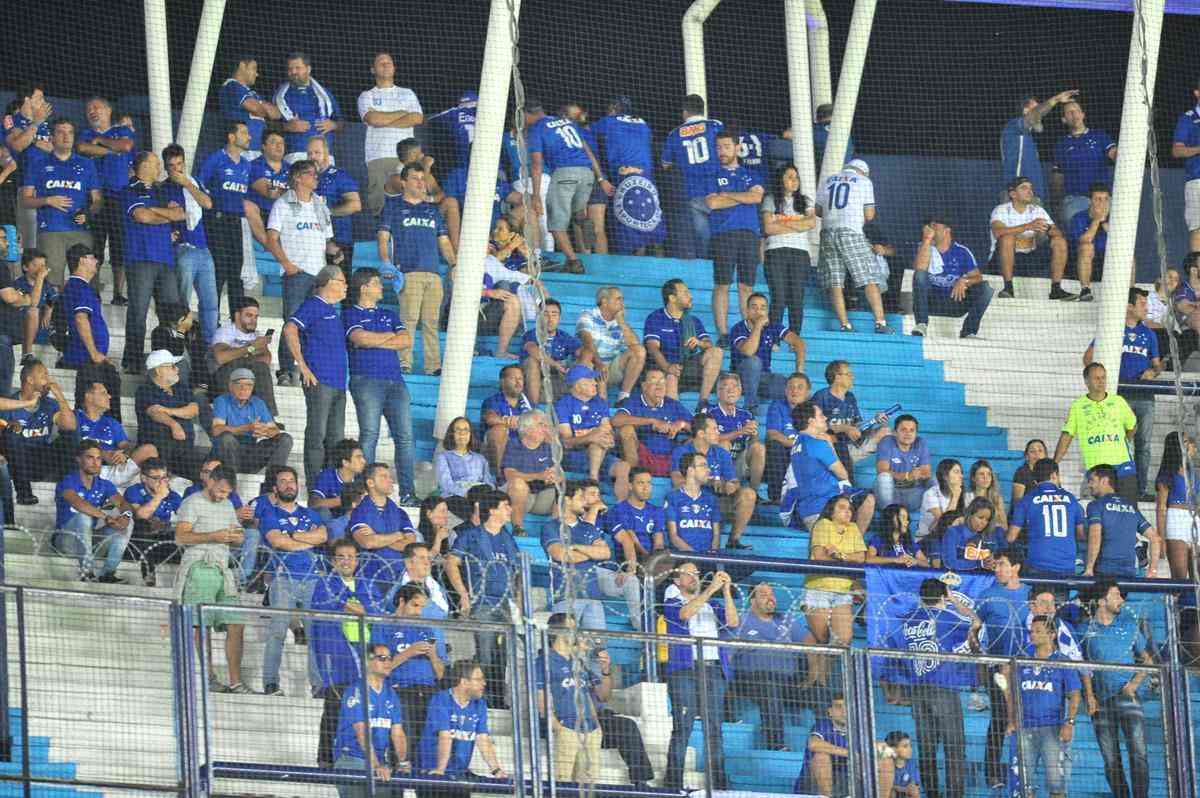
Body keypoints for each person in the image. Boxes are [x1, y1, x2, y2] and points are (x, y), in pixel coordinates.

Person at [884, 578, 980, 798]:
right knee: (954, 748)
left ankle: (931, 794)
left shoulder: (906, 621)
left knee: (927, 749)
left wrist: (896, 691)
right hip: (944, 688)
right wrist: (954, 598)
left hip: (918, 690)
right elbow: (976, 623)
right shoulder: (949, 618)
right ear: (943, 596)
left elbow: (892, 653)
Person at [175, 463, 251, 693]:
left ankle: (236, 681)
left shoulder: (228, 504)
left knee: (236, 623)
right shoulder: (192, 502)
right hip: (199, 567)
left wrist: (237, 535)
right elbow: (180, 536)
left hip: (222, 568)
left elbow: (238, 532)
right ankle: (209, 678)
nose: (222, 496)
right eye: (220, 490)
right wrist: (213, 536)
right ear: (210, 481)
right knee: (202, 624)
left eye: (227, 493)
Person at [266, 158, 342, 387]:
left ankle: (310, 368)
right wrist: (287, 264)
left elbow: (327, 241)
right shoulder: (283, 204)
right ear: (298, 177)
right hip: (297, 274)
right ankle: (286, 370)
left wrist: (336, 253)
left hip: (320, 277)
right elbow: (271, 238)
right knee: (293, 321)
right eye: (311, 174)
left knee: (316, 323)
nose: (316, 178)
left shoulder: (321, 204)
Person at [661, 562, 737, 792]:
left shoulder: (712, 602)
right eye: (689, 573)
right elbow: (684, 614)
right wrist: (711, 589)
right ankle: (673, 783)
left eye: (696, 573)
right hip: (685, 669)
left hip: (713, 669)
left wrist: (725, 591)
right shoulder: (672, 598)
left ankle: (718, 784)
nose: (695, 576)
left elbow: (733, 621)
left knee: (714, 728)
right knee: (682, 726)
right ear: (676, 579)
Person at [377, 163, 456, 376]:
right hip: (408, 272)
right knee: (408, 320)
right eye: (415, 178)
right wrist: (386, 262)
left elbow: (445, 242)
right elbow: (383, 237)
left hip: (434, 273)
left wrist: (454, 264)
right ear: (403, 182)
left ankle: (433, 366)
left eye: (423, 178)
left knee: (431, 322)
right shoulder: (392, 208)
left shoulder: (432, 211)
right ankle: (404, 362)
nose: (421, 182)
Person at [1083, 287, 1162, 502]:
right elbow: (1088, 357)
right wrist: (1100, 386)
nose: (1146, 308)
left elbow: (1157, 365)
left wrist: (1152, 371)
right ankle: (1113, 486)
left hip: (1145, 397)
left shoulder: (1149, 334)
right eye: (1142, 304)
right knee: (1116, 443)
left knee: (1143, 444)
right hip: (1119, 398)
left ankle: (1141, 488)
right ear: (1129, 306)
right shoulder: (1112, 330)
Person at [444, 491, 521, 706]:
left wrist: (518, 602)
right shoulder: (471, 535)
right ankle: (480, 697)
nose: (510, 509)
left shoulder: (508, 538)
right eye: (506, 505)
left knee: (502, 655)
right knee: (485, 652)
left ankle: (496, 699)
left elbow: (518, 571)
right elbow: (451, 562)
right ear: (493, 510)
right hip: (483, 601)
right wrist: (463, 594)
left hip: (504, 603)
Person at [311, 538, 383, 767]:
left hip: (366, 650)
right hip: (339, 651)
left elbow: (376, 610)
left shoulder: (367, 584)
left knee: (364, 705)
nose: (346, 561)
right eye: (341, 556)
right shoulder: (325, 584)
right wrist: (354, 607)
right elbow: (327, 607)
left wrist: (358, 608)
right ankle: (325, 758)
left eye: (351, 556)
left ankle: (360, 754)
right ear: (333, 561)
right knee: (335, 703)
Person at [344, 268, 415, 500]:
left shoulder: (389, 313)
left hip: (396, 382)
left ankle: (407, 492)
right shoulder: (350, 313)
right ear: (363, 287)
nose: (380, 287)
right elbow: (359, 338)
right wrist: (387, 337)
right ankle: (363, 490)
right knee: (369, 434)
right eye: (376, 283)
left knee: (405, 437)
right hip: (366, 380)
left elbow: (406, 340)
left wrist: (374, 340)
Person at [1082, 580, 1153, 798]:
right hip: (1101, 701)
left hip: (1127, 698)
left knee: (1138, 753)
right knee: (1111, 758)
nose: (1121, 600)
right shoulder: (1085, 630)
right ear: (1102, 601)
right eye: (1116, 595)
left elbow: (1148, 660)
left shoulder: (1129, 626)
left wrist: (1133, 684)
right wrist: (1090, 697)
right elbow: (1082, 666)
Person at [260, 466, 326, 696]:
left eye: (292, 481)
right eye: (283, 481)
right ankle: (270, 683)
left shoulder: (311, 513)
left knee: (314, 633)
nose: (289, 485)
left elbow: (323, 536)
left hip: (312, 577)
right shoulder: (270, 514)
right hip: (283, 577)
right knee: (278, 630)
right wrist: (307, 540)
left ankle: (318, 686)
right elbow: (277, 541)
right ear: (275, 487)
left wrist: (294, 537)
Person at [525, 99, 611, 274]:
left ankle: (573, 262)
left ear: (528, 114)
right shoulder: (566, 122)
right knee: (577, 212)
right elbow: (587, 151)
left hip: (565, 173)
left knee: (556, 224)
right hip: (587, 174)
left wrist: (535, 195)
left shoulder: (537, 128)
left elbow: (536, 163)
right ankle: (583, 222)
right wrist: (600, 178)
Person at [119, 150, 183, 373]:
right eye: (156, 164)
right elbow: (141, 216)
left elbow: (179, 215)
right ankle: (133, 360)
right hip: (140, 258)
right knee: (138, 311)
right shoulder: (129, 190)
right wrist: (165, 214)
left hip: (165, 259)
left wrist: (155, 211)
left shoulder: (162, 190)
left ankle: (167, 360)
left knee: (171, 313)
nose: (160, 169)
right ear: (143, 166)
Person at [284, 265, 349, 485]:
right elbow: (290, 328)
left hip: (339, 383)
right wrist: (301, 365)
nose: (346, 286)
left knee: (335, 439)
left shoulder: (332, 310)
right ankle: (314, 486)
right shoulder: (314, 305)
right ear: (330, 282)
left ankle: (330, 485)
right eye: (343, 281)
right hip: (320, 380)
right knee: (317, 434)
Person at [19, 117, 100, 286]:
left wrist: (88, 213)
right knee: (52, 284)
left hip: (80, 231)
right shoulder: (38, 163)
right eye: (61, 132)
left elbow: (98, 200)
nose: (66, 136)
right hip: (50, 231)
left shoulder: (86, 164)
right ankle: (51, 313)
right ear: (52, 137)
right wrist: (48, 200)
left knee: (87, 283)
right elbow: (26, 200)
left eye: (70, 132)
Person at [815, 159, 892, 334]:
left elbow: (818, 211)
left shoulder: (829, 179)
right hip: (850, 232)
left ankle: (845, 325)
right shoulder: (864, 181)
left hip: (827, 233)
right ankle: (880, 322)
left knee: (835, 282)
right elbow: (870, 215)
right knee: (869, 278)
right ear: (863, 172)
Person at [1009, 614, 1081, 798]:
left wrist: (1070, 722)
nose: (1033, 635)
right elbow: (1011, 693)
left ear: (1052, 635)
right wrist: (1011, 720)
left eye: (1038, 631)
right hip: (1024, 727)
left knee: (1057, 785)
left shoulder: (1062, 660)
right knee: (1023, 785)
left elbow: (1074, 694)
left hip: (1053, 728)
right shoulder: (1021, 659)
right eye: (1031, 631)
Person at [371, 583, 446, 759]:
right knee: (403, 741)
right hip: (399, 692)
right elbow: (378, 668)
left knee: (428, 745)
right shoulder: (383, 627)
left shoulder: (427, 630)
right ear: (401, 602)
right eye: (415, 605)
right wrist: (408, 652)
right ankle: (398, 779)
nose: (418, 612)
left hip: (428, 693)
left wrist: (434, 656)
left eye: (422, 607)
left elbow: (441, 674)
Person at [730, 583, 806, 750]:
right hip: (752, 679)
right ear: (752, 601)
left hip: (788, 679)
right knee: (769, 686)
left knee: (822, 692)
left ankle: (827, 738)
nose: (771, 598)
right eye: (764, 594)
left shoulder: (786, 620)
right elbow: (727, 653)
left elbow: (809, 644)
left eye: (772, 594)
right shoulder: (741, 620)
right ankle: (776, 744)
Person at [781, 401, 876, 533]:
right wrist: (830, 445)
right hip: (826, 511)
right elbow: (843, 474)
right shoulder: (817, 444)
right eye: (820, 415)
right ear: (811, 421)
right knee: (869, 499)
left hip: (807, 510)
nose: (825, 418)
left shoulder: (797, 443)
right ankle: (856, 542)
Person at [706, 129, 764, 344]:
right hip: (723, 234)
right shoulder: (712, 174)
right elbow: (712, 203)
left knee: (746, 286)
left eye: (726, 146)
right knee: (722, 284)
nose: (722, 151)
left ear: (737, 148)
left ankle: (747, 331)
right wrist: (743, 197)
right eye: (718, 147)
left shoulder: (751, 173)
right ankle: (722, 333)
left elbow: (757, 197)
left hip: (749, 234)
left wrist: (728, 195)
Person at [533, 613, 605, 784]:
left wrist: (597, 726)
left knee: (589, 786)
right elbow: (540, 697)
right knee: (563, 784)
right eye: (571, 628)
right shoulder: (544, 660)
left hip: (591, 730)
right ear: (559, 631)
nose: (576, 632)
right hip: (567, 728)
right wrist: (557, 727)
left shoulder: (579, 663)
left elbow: (596, 694)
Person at [803, 495, 868, 687]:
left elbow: (861, 557)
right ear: (831, 510)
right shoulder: (823, 524)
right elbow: (820, 556)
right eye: (842, 508)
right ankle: (814, 678)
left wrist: (839, 555)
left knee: (843, 639)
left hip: (843, 589)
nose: (847, 511)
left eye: (850, 508)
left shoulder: (854, 528)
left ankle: (820, 680)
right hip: (819, 587)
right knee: (821, 636)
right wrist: (846, 558)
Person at [416, 660, 507, 796]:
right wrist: (440, 770)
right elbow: (445, 737)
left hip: (459, 775)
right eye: (479, 679)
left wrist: (496, 770)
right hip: (433, 774)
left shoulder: (479, 704)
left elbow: (483, 739)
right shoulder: (441, 699)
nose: (484, 683)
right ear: (464, 682)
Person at [589, 95, 665, 256]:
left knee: (629, 226)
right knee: (647, 221)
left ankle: (632, 265)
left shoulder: (607, 122)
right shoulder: (644, 124)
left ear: (613, 109)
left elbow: (582, 133)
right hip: (646, 176)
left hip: (624, 174)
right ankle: (649, 260)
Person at [331, 641, 409, 796]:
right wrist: (377, 765)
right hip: (352, 759)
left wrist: (403, 762)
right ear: (367, 661)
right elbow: (362, 734)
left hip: (378, 761)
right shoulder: (356, 691)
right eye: (382, 658)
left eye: (389, 658)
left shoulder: (391, 694)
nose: (388, 662)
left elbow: (398, 733)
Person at [77, 96, 134, 305]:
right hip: (95, 197)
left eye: (97, 107)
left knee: (119, 246)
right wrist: (113, 151)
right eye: (89, 108)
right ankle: (95, 291)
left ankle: (118, 294)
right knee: (96, 245)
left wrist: (101, 143)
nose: (92, 111)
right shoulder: (85, 133)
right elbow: (83, 149)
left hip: (120, 197)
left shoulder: (122, 131)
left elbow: (127, 146)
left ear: (109, 110)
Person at [671, 412, 757, 549]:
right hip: (690, 503)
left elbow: (734, 481)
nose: (719, 432)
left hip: (718, 502)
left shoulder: (721, 452)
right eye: (714, 429)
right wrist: (709, 482)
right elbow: (677, 482)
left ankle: (733, 541)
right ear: (701, 434)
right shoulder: (681, 451)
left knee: (749, 494)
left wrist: (729, 486)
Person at [1054, 362, 1138, 501]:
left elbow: (1132, 426)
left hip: (1122, 467)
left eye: (1103, 377)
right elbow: (1067, 435)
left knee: (1128, 511)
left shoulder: (1118, 401)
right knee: (1098, 514)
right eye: (1096, 378)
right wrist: (1054, 463)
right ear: (1086, 381)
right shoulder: (1078, 406)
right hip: (1096, 470)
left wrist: (1123, 442)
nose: (1101, 381)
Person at [160, 143, 219, 343]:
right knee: (183, 300)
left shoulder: (194, 182)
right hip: (182, 249)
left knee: (210, 302)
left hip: (203, 249)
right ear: (166, 168)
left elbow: (208, 203)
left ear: (185, 163)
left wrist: (187, 183)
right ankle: (181, 340)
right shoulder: (164, 188)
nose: (177, 169)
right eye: (172, 166)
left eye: (180, 164)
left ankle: (210, 344)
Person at [53, 438, 133, 583]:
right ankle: (86, 572)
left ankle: (108, 573)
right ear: (78, 459)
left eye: (98, 458)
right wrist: (106, 517)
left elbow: (122, 503)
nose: (96, 462)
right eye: (90, 457)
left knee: (127, 523)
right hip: (66, 541)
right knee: (83, 517)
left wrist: (126, 516)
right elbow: (79, 504)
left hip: (90, 541)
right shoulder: (67, 481)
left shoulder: (105, 484)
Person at [1, 358, 77, 505]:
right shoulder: (9, 403)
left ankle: (70, 489)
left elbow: (71, 426)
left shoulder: (50, 404)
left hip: (41, 461)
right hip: (15, 464)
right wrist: (9, 426)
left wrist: (59, 396)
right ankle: (24, 493)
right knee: (10, 433)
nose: (48, 380)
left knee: (70, 436)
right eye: (43, 376)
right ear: (29, 379)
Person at [358, 52, 423, 217]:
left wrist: (384, 119)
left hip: (406, 156)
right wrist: (401, 113)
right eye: (381, 62)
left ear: (394, 68)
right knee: (380, 209)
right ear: (373, 70)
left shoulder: (407, 93)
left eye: (389, 62)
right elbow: (372, 119)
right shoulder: (367, 95)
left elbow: (417, 117)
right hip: (378, 157)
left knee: (411, 201)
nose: (386, 65)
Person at [661, 94, 723, 259]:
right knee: (723, 233)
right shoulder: (716, 125)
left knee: (703, 239)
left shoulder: (675, 133)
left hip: (691, 192)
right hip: (719, 189)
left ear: (685, 112)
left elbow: (665, 164)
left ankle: (707, 271)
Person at [643, 278, 724, 405]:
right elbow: (653, 349)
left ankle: (703, 402)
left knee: (717, 352)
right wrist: (668, 367)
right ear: (672, 298)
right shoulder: (656, 318)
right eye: (685, 293)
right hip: (663, 368)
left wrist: (699, 343)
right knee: (671, 377)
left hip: (687, 367)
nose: (690, 296)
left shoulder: (693, 320)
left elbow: (708, 344)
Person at [911, 214, 993, 338]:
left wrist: (964, 280)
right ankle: (921, 325)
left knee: (986, 289)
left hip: (955, 301)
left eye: (934, 226)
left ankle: (968, 331)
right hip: (930, 302)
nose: (930, 229)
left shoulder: (961, 251)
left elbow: (978, 277)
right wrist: (927, 240)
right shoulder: (924, 247)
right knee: (920, 275)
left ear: (947, 230)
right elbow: (919, 271)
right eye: (929, 226)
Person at [198, 121, 251, 311]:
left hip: (236, 221)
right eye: (244, 133)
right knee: (219, 269)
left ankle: (237, 319)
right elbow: (200, 184)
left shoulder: (246, 165)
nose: (249, 137)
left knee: (236, 270)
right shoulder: (216, 159)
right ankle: (213, 317)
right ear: (231, 136)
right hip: (216, 220)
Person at [555, 365, 631, 499]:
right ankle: (593, 482)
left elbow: (607, 432)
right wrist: (591, 436)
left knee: (623, 467)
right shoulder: (563, 404)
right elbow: (567, 442)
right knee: (596, 440)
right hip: (574, 457)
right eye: (590, 381)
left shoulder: (600, 403)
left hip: (602, 455)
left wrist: (606, 438)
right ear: (578, 385)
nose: (595, 383)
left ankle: (621, 505)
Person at [990, 176, 1071, 300]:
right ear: (1013, 194)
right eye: (1024, 188)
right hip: (1002, 261)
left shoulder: (1037, 210)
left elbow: (1057, 232)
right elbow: (998, 232)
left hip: (1030, 259)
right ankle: (1008, 288)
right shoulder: (1001, 210)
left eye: (1031, 188)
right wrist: (1028, 226)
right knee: (1007, 238)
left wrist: (1047, 228)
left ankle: (1056, 289)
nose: (1030, 191)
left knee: (1059, 241)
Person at [135, 350, 208, 481]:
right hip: (158, 455)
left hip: (184, 452)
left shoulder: (180, 387)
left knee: (206, 474)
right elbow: (154, 412)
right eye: (172, 366)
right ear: (158, 371)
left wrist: (168, 411)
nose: (177, 369)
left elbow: (194, 409)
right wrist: (174, 424)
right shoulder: (145, 389)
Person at [760, 164, 816, 334]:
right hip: (776, 251)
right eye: (790, 177)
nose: (794, 181)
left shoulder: (805, 200)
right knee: (779, 296)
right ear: (780, 179)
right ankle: (773, 337)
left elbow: (811, 223)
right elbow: (769, 228)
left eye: (796, 177)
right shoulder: (770, 199)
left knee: (796, 297)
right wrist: (798, 225)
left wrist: (782, 223)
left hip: (800, 253)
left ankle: (795, 337)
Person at [1007, 458, 1085, 579]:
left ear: (1034, 480)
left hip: (1037, 564)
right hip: (1066, 565)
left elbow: (1011, 537)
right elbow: (1081, 535)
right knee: (1060, 598)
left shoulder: (1026, 500)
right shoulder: (1071, 499)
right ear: (1054, 475)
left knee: (1038, 597)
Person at [813, 359, 889, 480]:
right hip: (831, 447)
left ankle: (885, 475)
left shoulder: (850, 397)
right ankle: (840, 464)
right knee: (837, 444)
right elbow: (814, 427)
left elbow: (857, 425)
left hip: (850, 445)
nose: (852, 377)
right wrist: (844, 428)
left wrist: (874, 420)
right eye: (849, 374)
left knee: (885, 431)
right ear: (837, 377)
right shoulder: (821, 396)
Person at [731, 292, 805, 414]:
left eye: (763, 308)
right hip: (740, 379)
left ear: (767, 311)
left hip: (764, 379)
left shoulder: (773, 326)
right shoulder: (738, 328)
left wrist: (799, 371)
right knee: (754, 361)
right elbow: (749, 351)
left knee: (797, 390)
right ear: (747, 310)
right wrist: (758, 326)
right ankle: (750, 406)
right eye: (754, 307)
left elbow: (799, 343)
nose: (758, 311)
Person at [75, 378, 157, 487]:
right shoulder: (74, 418)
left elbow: (125, 446)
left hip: (115, 470)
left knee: (149, 449)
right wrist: (103, 454)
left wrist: (123, 454)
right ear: (88, 396)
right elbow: (72, 444)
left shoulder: (111, 422)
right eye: (104, 393)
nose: (109, 397)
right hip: (88, 470)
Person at [350, 462, 418, 590]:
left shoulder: (400, 512)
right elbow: (368, 542)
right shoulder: (359, 512)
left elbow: (409, 544)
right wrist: (399, 535)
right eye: (384, 476)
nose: (390, 480)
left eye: (390, 476)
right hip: (369, 579)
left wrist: (377, 536)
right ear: (370, 483)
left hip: (398, 576)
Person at [612, 368, 691, 477]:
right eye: (654, 382)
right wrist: (652, 421)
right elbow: (616, 420)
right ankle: (634, 475)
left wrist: (681, 424)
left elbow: (698, 428)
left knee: (698, 437)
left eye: (662, 382)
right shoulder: (634, 401)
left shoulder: (673, 404)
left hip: (671, 457)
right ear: (644, 386)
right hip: (643, 457)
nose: (659, 385)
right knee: (626, 429)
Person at [210, 368, 292, 474]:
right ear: (231, 386)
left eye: (249, 385)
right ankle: (232, 480)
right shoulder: (222, 400)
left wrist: (265, 431)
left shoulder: (258, 403)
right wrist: (246, 428)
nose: (244, 389)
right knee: (227, 438)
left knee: (285, 439)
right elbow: (216, 430)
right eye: (239, 384)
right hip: (228, 453)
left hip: (251, 453)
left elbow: (274, 429)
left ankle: (272, 482)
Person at [1000, 90, 1078, 200]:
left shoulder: (1028, 138)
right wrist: (1056, 99)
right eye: (1036, 108)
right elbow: (1035, 115)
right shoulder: (1014, 127)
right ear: (1025, 110)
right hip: (1017, 195)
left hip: (1031, 196)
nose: (1041, 114)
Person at [1085, 464, 1159, 578]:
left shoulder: (1096, 505)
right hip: (1128, 573)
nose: (1089, 485)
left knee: (1090, 595)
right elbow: (1154, 538)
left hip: (1104, 570)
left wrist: (1089, 568)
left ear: (1104, 481)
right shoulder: (1131, 507)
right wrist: (1152, 570)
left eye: (1092, 480)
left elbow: (1095, 535)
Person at [208, 297, 279, 416]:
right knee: (233, 364)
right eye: (249, 315)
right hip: (224, 377)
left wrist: (239, 354)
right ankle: (230, 414)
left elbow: (266, 359)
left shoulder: (257, 335)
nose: (253, 320)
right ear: (237, 315)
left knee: (261, 368)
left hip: (248, 377)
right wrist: (251, 348)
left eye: (256, 316)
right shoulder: (225, 331)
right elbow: (221, 358)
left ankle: (267, 417)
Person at [1052, 100, 1117, 224]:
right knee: (1081, 236)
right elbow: (1057, 178)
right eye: (1069, 112)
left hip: (1103, 198)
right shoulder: (1061, 144)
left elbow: (1114, 154)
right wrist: (1056, 204)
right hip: (1075, 200)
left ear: (1083, 114)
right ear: (1064, 119)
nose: (1074, 114)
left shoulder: (1100, 136)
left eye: (1076, 111)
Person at [605, 466, 666, 593]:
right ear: (630, 486)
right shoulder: (619, 510)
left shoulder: (656, 511)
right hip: (628, 559)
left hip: (651, 560)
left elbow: (658, 540)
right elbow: (632, 538)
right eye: (640, 483)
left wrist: (656, 558)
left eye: (649, 483)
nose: (646, 487)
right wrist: (649, 559)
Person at [274, 52, 342, 163]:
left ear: (308, 69)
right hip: (296, 153)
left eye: (297, 68)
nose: (293, 72)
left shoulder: (324, 94)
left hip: (324, 154)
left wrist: (334, 125)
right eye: (290, 69)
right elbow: (268, 124)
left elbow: (342, 123)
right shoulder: (281, 95)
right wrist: (286, 126)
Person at [124, 456, 181, 586]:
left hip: (162, 541)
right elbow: (140, 515)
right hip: (138, 543)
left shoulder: (173, 496)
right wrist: (159, 496)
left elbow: (186, 518)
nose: (161, 483)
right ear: (144, 478)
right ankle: (149, 575)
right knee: (143, 525)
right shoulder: (134, 491)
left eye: (164, 478)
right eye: (156, 478)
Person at [500, 410, 559, 536]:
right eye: (541, 425)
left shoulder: (547, 447)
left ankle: (556, 531)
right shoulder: (513, 444)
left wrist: (553, 477)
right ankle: (518, 527)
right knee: (518, 484)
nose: (545, 428)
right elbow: (509, 475)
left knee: (565, 488)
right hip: (516, 498)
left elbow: (555, 472)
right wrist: (539, 476)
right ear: (526, 429)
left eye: (545, 425)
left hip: (541, 498)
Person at [307, 137, 360, 271]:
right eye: (309, 153)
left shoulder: (339, 175)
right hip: (311, 240)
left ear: (326, 152)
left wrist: (327, 212)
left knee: (338, 284)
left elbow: (355, 205)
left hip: (339, 241)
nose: (312, 157)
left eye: (317, 152)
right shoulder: (304, 178)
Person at [521, 298, 582, 404]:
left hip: (557, 381)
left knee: (584, 363)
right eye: (545, 314)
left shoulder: (564, 337)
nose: (550, 319)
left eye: (554, 314)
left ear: (559, 318)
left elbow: (580, 352)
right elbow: (532, 349)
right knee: (532, 361)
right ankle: (534, 408)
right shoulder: (531, 334)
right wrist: (555, 364)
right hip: (537, 380)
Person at [1154, 431, 1197, 581]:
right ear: (1177, 447)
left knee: (1197, 577)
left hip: (1194, 519)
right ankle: (1179, 603)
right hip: (1175, 518)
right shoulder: (1167, 474)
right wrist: (1161, 539)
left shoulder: (1193, 473)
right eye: (1187, 442)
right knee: (1180, 576)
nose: (1193, 445)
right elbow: (1160, 508)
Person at [435, 416, 495, 521]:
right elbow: (446, 485)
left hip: (479, 493)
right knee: (465, 506)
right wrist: (466, 493)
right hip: (455, 496)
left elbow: (489, 483)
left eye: (466, 430)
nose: (462, 433)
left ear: (471, 434)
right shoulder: (444, 457)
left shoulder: (480, 459)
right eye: (457, 430)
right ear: (451, 434)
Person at [793, 696, 851, 797]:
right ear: (830, 712)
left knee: (883, 759)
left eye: (847, 707)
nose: (843, 711)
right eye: (838, 707)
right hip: (811, 784)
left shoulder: (858, 731)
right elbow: (813, 744)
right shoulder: (823, 725)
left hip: (844, 781)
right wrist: (849, 753)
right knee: (821, 757)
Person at [765, 372, 810, 502]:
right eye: (791, 387)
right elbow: (772, 433)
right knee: (775, 446)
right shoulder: (777, 406)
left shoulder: (813, 409)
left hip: (806, 451)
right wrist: (794, 444)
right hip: (784, 450)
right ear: (785, 390)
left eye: (800, 387)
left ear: (807, 392)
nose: (794, 390)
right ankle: (776, 497)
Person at [874, 414, 932, 516]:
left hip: (913, 494)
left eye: (912, 430)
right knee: (884, 477)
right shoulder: (887, 442)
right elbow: (882, 470)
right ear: (895, 432)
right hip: (892, 494)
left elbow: (926, 472)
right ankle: (889, 518)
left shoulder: (920, 443)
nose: (908, 434)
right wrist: (907, 476)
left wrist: (918, 475)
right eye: (903, 430)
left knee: (935, 480)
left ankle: (938, 519)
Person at [480, 364, 533, 472]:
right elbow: (490, 418)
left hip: (524, 446)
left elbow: (541, 421)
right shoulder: (493, 401)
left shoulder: (529, 404)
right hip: (498, 448)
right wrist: (507, 421)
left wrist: (521, 423)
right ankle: (498, 476)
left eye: (520, 379)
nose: (518, 383)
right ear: (502, 382)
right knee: (499, 430)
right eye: (513, 379)